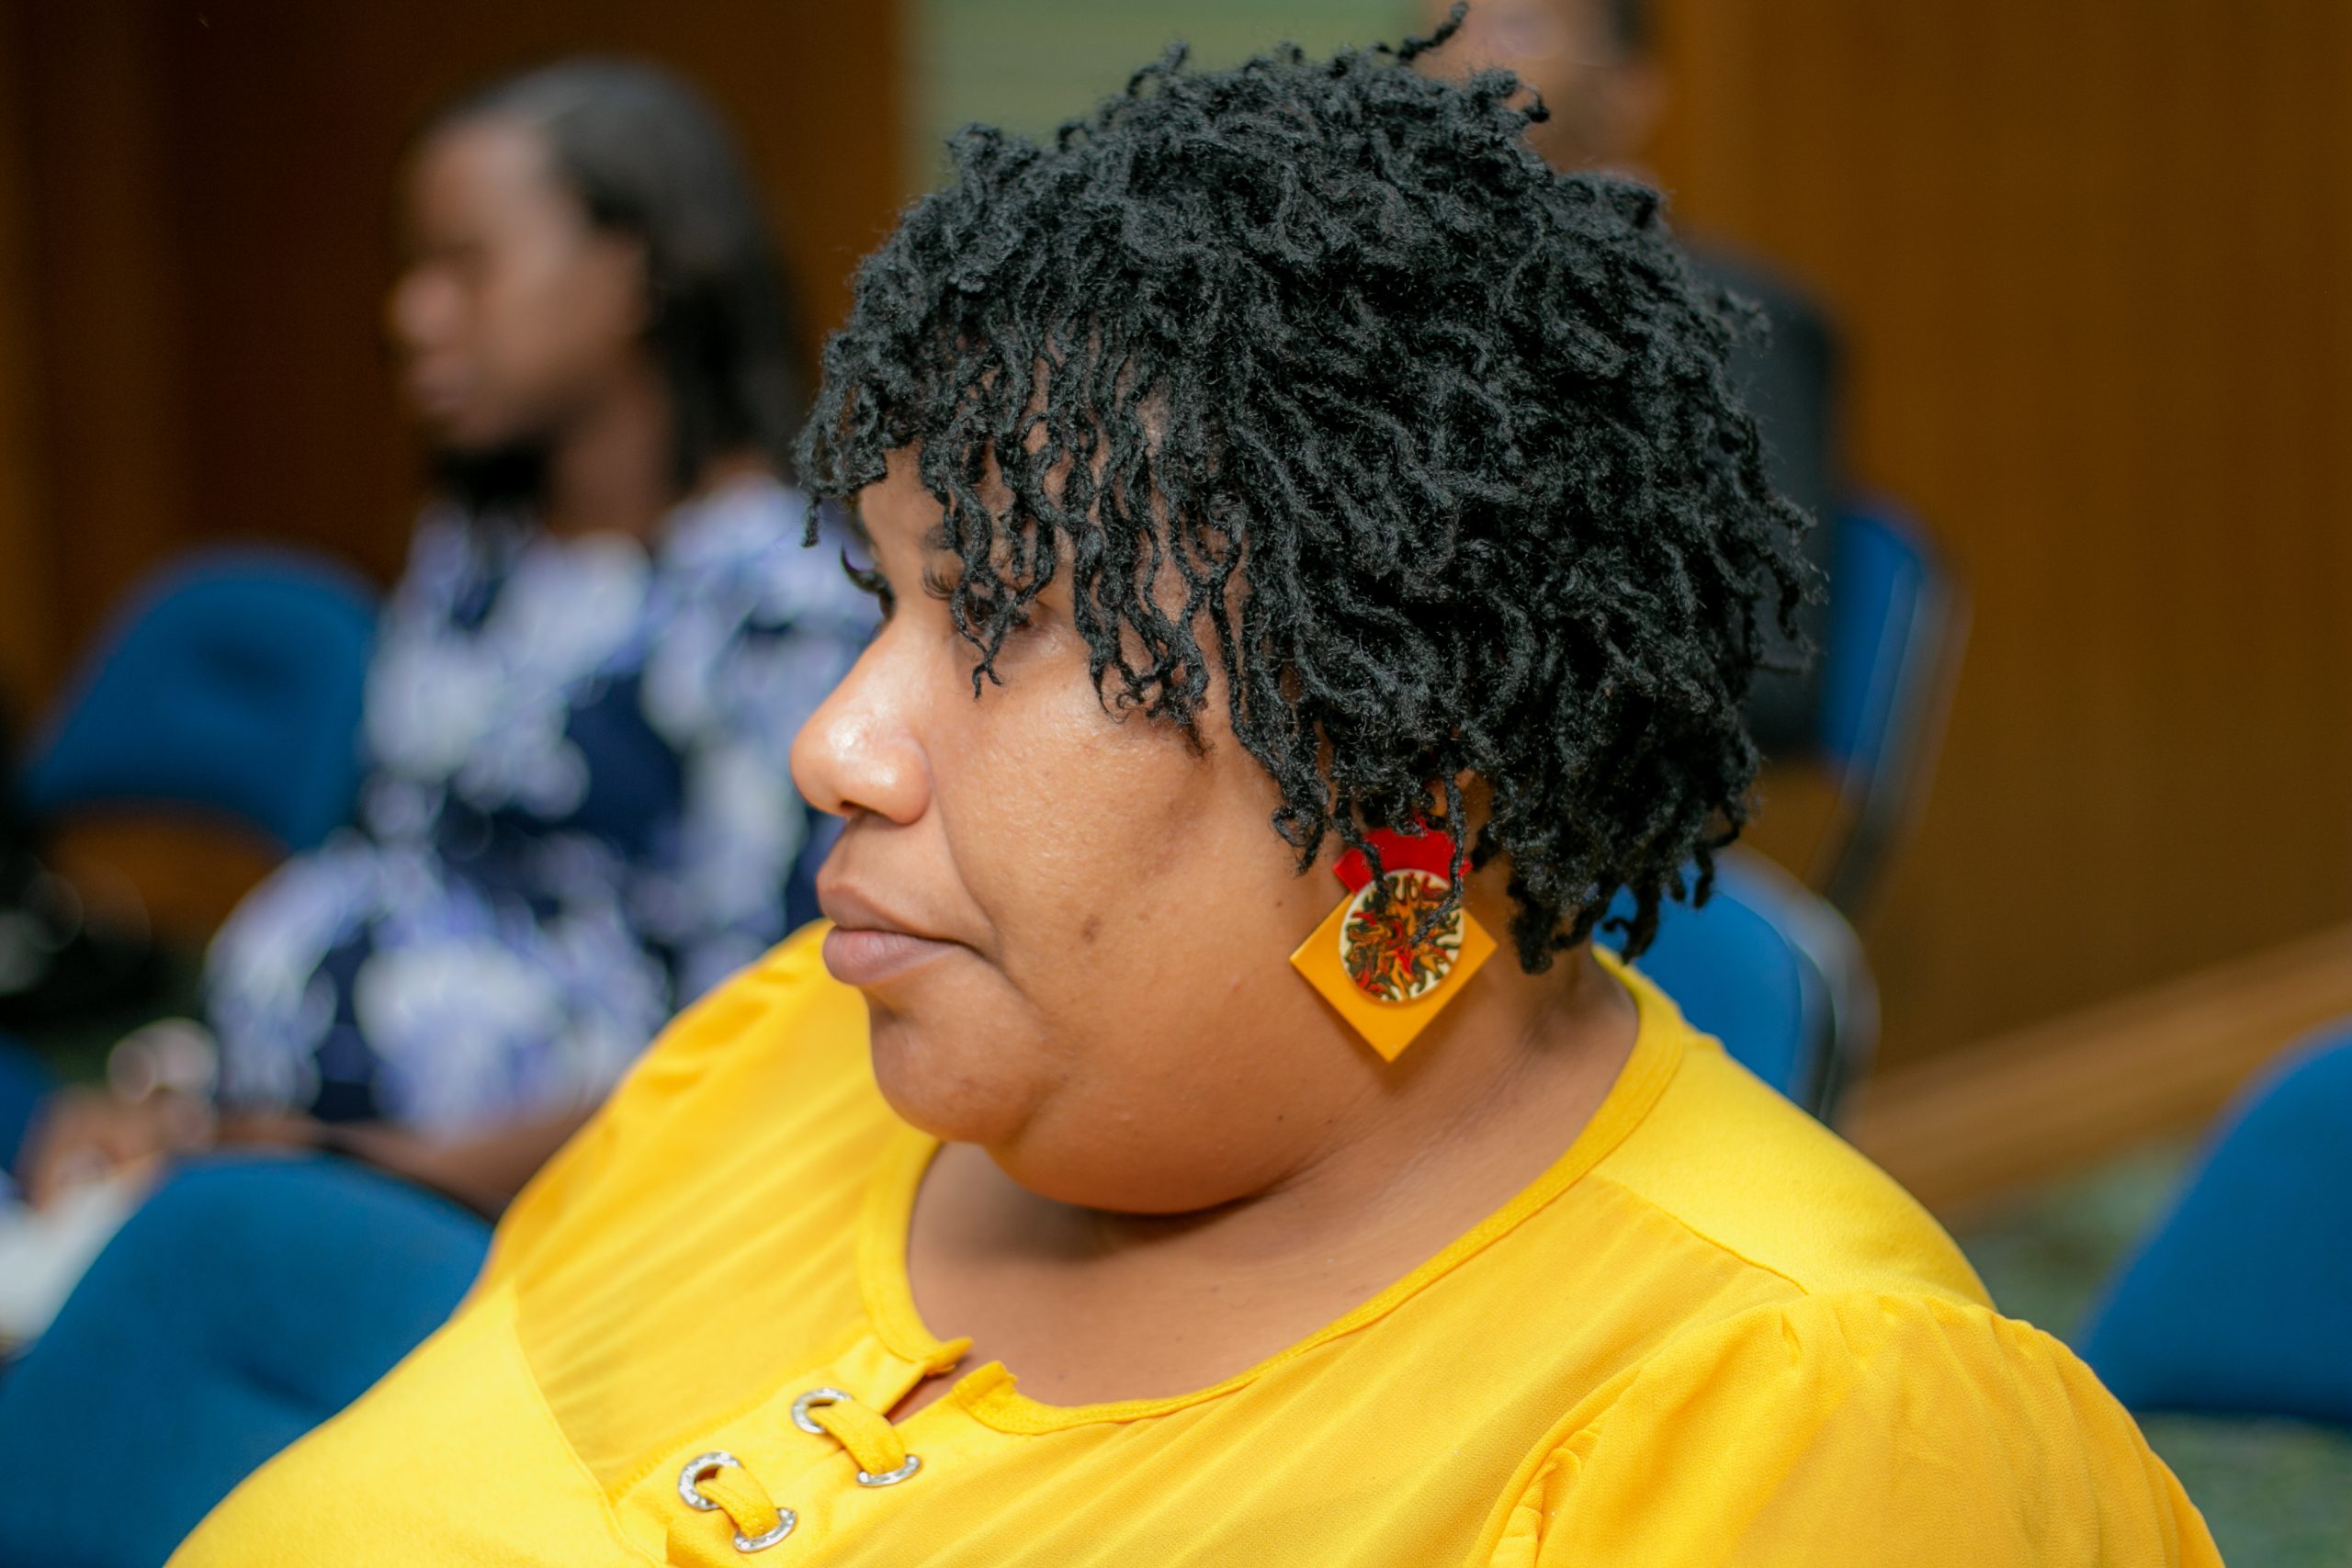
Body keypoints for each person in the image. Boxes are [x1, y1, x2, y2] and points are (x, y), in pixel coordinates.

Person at [172, 25, 2216, 1566]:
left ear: (1412, 761)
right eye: (883, 600)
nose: (834, 744)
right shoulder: (779, 1047)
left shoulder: (1792, 1433)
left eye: (1006, 622)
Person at [18, 60, 873, 1214]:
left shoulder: (776, 608)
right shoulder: (476, 552)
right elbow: (387, 871)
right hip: (272, 1156)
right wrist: (174, 1101)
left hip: (522, 1222)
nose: (411, 315)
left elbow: (754, 1042)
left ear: (636, 274)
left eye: (466, 266)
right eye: (411, 269)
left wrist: (360, 1175)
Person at [1432, 0, 1841, 757]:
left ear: (1631, 91)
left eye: (1518, 25)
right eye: (1438, 22)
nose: (1457, 58)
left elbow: (1773, 673)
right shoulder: (1413, 319)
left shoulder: (1735, 326)